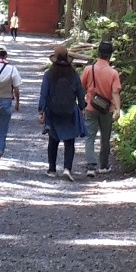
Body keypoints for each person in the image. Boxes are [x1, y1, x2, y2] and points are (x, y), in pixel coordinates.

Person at [37, 45, 85, 181]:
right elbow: (80, 93)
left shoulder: (49, 74)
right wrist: (82, 107)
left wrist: (41, 110)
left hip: (52, 111)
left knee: (53, 139)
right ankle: (67, 168)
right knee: (70, 141)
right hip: (70, 110)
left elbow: (44, 94)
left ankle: (52, 169)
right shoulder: (73, 74)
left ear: (55, 58)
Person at [81, 39, 122, 175]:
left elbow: (81, 87)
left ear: (98, 53)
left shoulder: (88, 69)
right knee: (105, 137)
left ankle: (91, 166)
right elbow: (115, 92)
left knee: (89, 137)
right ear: (110, 55)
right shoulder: (113, 73)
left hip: (91, 107)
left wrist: (81, 103)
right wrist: (117, 109)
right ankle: (103, 166)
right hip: (107, 109)